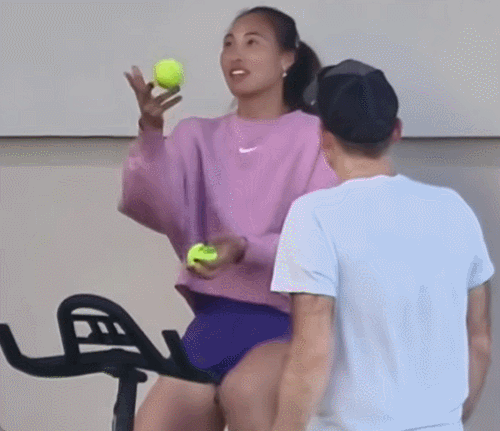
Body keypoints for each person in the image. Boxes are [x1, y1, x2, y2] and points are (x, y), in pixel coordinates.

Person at [121, 6, 339, 431]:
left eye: (252, 42)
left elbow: (323, 240)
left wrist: (245, 249)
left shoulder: (316, 137)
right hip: (214, 321)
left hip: (289, 321)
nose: (236, 55)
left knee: (247, 396)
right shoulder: (196, 135)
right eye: (228, 44)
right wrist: (150, 132)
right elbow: (152, 204)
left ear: (287, 59)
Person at [268, 59, 495, 431]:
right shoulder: (454, 209)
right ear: (396, 131)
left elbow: (311, 353)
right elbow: (480, 341)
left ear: (324, 137)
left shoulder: (314, 215)